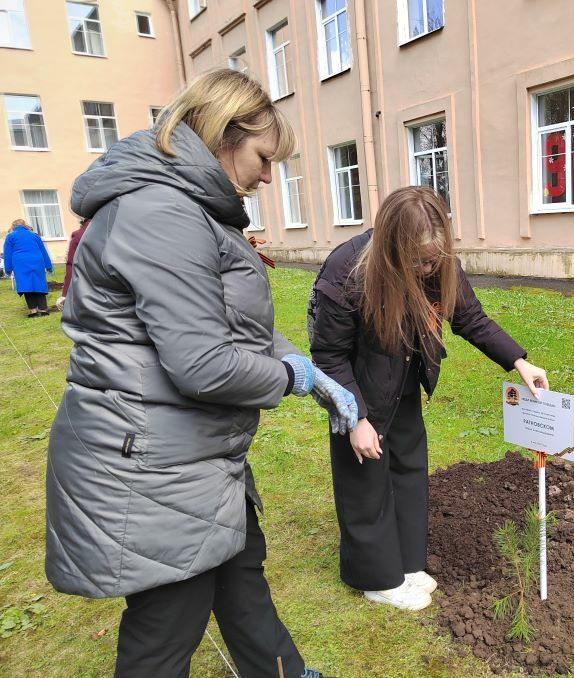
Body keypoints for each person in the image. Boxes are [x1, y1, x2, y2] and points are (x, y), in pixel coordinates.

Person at [44, 69, 357, 677]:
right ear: (223, 133)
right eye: (265, 158)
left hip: (194, 457)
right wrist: (288, 379)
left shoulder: (196, 210)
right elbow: (204, 365)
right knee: (165, 634)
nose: (270, 176)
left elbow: (235, 325)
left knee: (242, 576)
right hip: (151, 467)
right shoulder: (163, 212)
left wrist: (311, 372)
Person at [309, 186, 549, 611]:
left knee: (408, 465)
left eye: (432, 259)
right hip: (357, 386)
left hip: (400, 377)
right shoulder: (347, 271)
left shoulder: (438, 262)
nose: (425, 268)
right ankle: (375, 577)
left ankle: (405, 562)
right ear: (391, 248)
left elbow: (470, 317)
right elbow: (328, 356)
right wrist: (355, 417)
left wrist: (518, 362)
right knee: (364, 475)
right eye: (417, 260)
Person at [3, 218, 54, 317]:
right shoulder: (34, 236)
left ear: (13, 227)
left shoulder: (10, 236)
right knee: (39, 283)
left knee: (26, 285)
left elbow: (7, 254)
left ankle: (33, 311)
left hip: (20, 263)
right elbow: (43, 251)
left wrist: (8, 269)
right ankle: (43, 310)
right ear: (25, 225)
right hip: (37, 261)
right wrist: (48, 266)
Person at [56, 217, 89, 310]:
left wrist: (65, 294)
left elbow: (71, 264)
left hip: (89, 288)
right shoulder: (120, 229)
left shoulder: (79, 235)